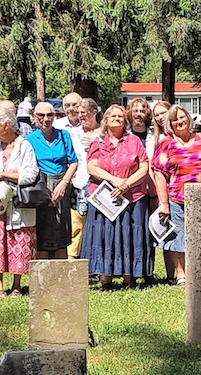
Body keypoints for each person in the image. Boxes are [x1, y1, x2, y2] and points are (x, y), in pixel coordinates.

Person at [85, 104, 153, 288]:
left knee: (129, 236)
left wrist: (126, 184)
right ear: (105, 120)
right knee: (105, 235)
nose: (117, 118)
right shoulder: (98, 142)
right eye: (113, 116)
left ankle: (129, 277)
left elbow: (144, 167)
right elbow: (91, 167)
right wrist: (114, 180)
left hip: (133, 197)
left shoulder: (134, 141)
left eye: (120, 116)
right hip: (104, 198)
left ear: (125, 121)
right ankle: (105, 278)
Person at [0, 106, 39, 297]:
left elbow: (30, 174)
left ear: (7, 125)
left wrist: (4, 174)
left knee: (18, 241)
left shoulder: (24, 146)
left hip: (18, 202)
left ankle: (16, 285)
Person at [152, 105, 201, 286]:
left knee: (199, 236)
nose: (180, 121)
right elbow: (159, 173)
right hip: (176, 197)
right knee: (177, 237)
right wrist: (163, 203)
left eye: (182, 117)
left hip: (200, 198)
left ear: (189, 119)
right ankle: (181, 274)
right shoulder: (165, 143)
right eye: (175, 120)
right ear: (170, 123)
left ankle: (197, 271)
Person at [23, 102, 78, 259]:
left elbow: (73, 162)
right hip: (41, 185)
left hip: (62, 183)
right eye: (41, 115)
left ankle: (61, 268)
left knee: (62, 228)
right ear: (35, 117)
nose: (46, 119)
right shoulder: (29, 139)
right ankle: (43, 268)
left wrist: (64, 183)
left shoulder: (64, 135)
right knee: (43, 229)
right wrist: (45, 189)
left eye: (49, 115)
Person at [68, 98, 100, 258]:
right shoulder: (73, 134)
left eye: (83, 112)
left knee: (96, 223)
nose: (80, 115)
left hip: (99, 184)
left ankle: (94, 258)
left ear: (94, 112)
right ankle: (72, 258)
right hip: (78, 182)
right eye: (78, 112)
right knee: (76, 223)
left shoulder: (104, 132)